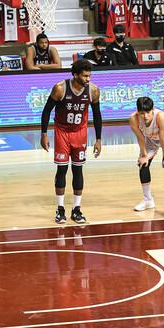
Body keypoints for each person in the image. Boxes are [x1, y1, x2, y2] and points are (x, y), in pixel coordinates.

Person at [40, 60, 102, 224]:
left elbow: (97, 115)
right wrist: (44, 134)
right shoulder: (60, 88)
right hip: (62, 131)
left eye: (89, 76)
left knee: (78, 170)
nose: (88, 79)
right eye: (85, 76)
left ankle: (76, 209)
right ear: (75, 75)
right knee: (62, 169)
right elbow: (46, 111)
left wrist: (98, 139)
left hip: (79, 132)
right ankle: (60, 209)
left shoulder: (93, 91)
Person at [130, 96, 164, 214]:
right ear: (138, 112)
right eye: (142, 113)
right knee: (143, 164)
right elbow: (140, 138)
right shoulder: (133, 119)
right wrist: (143, 155)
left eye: (148, 112)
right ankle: (148, 199)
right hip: (150, 138)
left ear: (153, 110)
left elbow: (163, 138)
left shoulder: (161, 117)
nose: (145, 116)